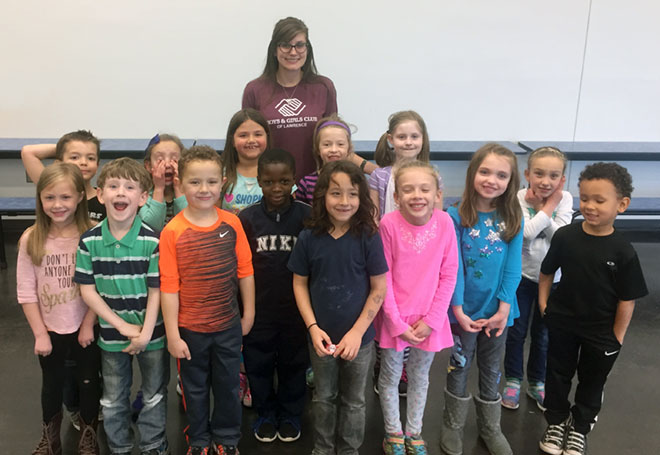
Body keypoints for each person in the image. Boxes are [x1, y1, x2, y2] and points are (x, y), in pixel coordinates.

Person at [538, 162, 648, 455]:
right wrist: (544, 304)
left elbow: (628, 298)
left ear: (621, 204)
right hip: (562, 322)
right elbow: (547, 272)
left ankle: (580, 427)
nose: (589, 205)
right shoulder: (565, 237)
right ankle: (557, 421)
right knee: (557, 375)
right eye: (585, 198)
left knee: (592, 379)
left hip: (601, 332)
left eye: (599, 200)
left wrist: (617, 337)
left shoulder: (623, 251)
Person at [159, 146, 255, 455]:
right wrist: (173, 334)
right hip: (190, 331)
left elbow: (245, 272)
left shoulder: (232, 223)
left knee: (228, 387)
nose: (204, 189)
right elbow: (169, 287)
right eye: (195, 182)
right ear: (182, 185)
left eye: (211, 182)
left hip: (227, 325)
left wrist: (248, 314)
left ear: (223, 183)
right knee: (194, 389)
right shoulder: (172, 231)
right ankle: (199, 440)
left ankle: (227, 438)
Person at [288, 160, 388, 455]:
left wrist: (357, 333)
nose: (344, 202)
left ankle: (348, 450)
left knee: (355, 400)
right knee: (324, 397)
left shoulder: (368, 237)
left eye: (353, 194)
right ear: (322, 196)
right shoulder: (309, 237)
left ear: (362, 197)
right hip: (321, 338)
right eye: (336, 193)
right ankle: (322, 449)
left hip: (360, 340)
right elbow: (299, 284)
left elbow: (378, 289)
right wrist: (312, 327)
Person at [74, 157, 169, 455]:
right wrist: (121, 326)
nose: (120, 193)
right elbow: (87, 291)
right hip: (113, 336)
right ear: (100, 194)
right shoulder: (88, 242)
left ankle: (153, 445)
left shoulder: (152, 242)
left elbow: (157, 291)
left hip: (152, 336)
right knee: (113, 397)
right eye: (113, 186)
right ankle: (120, 447)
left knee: (154, 394)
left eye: (129, 187)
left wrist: (144, 332)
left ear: (143, 198)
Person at [440, 143, 523, 455]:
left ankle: (490, 427)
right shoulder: (455, 216)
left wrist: (504, 307)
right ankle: (453, 424)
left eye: (501, 175)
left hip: (499, 313)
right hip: (463, 312)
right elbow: (454, 269)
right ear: (472, 173)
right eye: (485, 171)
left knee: (491, 368)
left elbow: (513, 268)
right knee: (459, 365)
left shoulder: (512, 217)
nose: (492, 179)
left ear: (510, 181)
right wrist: (458, 310)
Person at [375, 161, 458, 455]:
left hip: (429, 320)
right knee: (390, 376)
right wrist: (395, 322)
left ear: (438, 194)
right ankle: (393, 432)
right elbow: (382, 276)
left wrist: (433, 320)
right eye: (407, 190)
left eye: (425, 189)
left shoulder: (446, 223)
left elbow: (449, 274)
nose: (417, 195)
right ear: (396, 196)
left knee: (420, 377)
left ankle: (414, 432)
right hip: (394, 318)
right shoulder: (388, 225)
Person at [17, 163, 101, 455]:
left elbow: (98, 287)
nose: (57, 204)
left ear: (80, 197)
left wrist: (89, 324)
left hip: (85, 327)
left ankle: (88, 436)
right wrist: (40, 333)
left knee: (89, 382)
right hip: (50, 329)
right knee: (52, 386)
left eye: (65, 197)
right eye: (49, 197)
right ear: (40, 199)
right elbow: (26, 292)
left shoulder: (92, 235)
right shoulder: (32, 238)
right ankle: (50, 438)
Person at [239, 148, 311, 443]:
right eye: (269, 182)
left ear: (293, 180)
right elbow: (240, 269)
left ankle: (291, 414)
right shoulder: (247, 219)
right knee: (259, 364)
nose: (277, 188)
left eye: (283, 181)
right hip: (259, 310)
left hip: (297, 311)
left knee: (294, 365)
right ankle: (265, 413)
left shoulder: (307, 216)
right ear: (258, 181)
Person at [369, 110, 443, 397]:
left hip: (420, 256)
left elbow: (435, 218)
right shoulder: (379, 176)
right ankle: (385, 365)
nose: (408, 142)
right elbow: (375, 215)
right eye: (402, 136)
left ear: (422, 139)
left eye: (414, 136)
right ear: (391, 140)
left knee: (416, 313)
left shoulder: (432, 174)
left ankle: (407, 369)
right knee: (387, 310)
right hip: (389, 250)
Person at [502, 146, 573, 410]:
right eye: (539, 174)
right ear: (527, 174)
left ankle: (537, 382)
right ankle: (512, 380)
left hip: (552, 281)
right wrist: (548, 209)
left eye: (553, 176)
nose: (546, 181)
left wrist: (544, 207)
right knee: (516, 332)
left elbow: (561, 239)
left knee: (543, 334)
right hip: (521, 276)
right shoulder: (520, 196)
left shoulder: (564, 199)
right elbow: (527, 233)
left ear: (562, 180)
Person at [22, 130, 106, 222]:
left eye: (90, 158)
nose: (83, 162)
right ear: (59, 163)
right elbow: (28, 152)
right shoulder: (51, 187)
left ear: (97, 164)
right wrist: (64, 148)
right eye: (74, 157)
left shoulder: (104, 198)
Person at [220, 109, 272, 215]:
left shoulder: (279, 173)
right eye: (243, 135)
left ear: (267, 137)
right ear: (232, 140)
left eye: (258, 134)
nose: (251, 140)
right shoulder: (220, 175)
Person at [295, 114, 354, 205]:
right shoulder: (307, 183)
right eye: (327, 144)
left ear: (349, 148)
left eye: (340, 144)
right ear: (318, 149)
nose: (334, 150)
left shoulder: (357, 180)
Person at [139, 133, 187, 230]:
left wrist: (178, 188)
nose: (168, 164)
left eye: (174, 159)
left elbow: (189, 223)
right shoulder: (143, 195)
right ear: (148, 166)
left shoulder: (191, 192)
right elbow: (151, 227)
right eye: (160, 159)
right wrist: (159, 189)